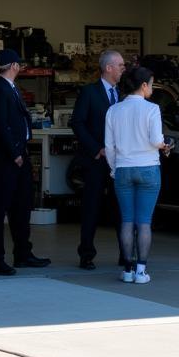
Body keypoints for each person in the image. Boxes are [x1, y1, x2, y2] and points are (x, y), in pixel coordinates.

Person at [105, 65, 171, 284]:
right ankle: (141, 270)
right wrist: (165, 145)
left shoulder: (113, 110)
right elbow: (155, 140)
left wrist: (115, 169)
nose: (152, 88)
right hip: (148, 169)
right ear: (144, 85)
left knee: (126, 221)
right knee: (143, 222)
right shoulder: (152, 109)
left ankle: (127, 269)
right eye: (151, 84)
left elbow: (109, 146)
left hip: (123, 168)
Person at [0, 48, 51, 275]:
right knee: (1, 208)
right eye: (19, 64)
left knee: (22, 206)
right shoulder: (0, 88)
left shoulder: (10, 88)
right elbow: (0, 123)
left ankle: (23, 253)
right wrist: (14, 152)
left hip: (19, 155)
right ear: (14, 66)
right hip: (8, 158)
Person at [69, 49, 126, 269]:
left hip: (119, 159)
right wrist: (96, 148)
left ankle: (125, 253)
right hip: (95, 159)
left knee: (121, 207)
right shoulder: (89, 92)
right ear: (108, 67)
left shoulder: (122, 94)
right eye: (120, 65)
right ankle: (86, 254)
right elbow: (78, 123)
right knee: (91, 207)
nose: (123, 69)